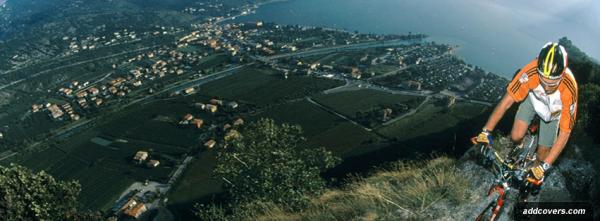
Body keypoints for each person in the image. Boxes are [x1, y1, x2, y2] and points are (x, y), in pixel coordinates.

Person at [476, 42, 578, 182]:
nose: (547, 87)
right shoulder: (531, 71)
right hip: (533, 99)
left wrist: (543, 167)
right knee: (515, 136)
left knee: (542, 155)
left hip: (552, 113)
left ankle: (531, 173)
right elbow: (506, 102)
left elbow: (565, 132)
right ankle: (520, 146)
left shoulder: (570, 88)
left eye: (552, 83)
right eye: (543, 80)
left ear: (562, 75)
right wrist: (486, 131)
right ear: (538, 70)